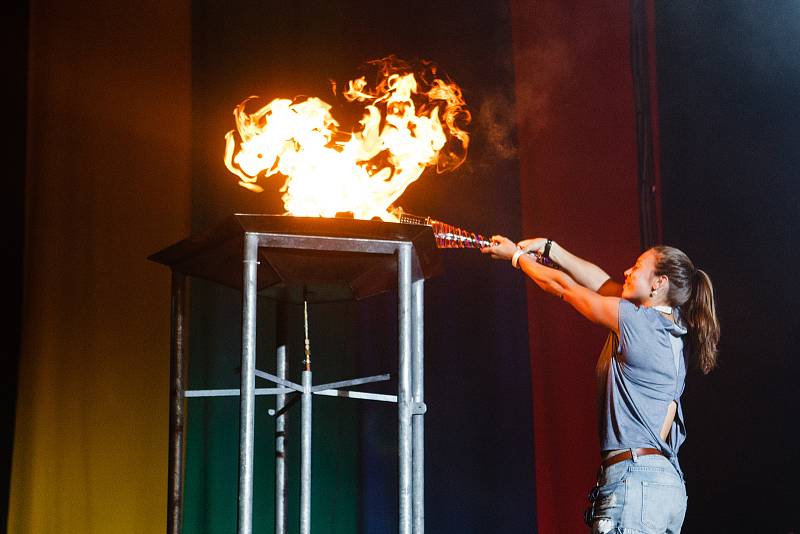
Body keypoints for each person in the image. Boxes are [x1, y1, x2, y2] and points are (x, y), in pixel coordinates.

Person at [481, 236, 720, 534]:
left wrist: (517, 259)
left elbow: (564, 289)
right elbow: (602, 283)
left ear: (658, 283)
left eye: (636, 267)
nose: (626, 273)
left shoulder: (635, 322)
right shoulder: (674, 327)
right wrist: (550, 248)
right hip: (666, 487)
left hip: (635, 481)